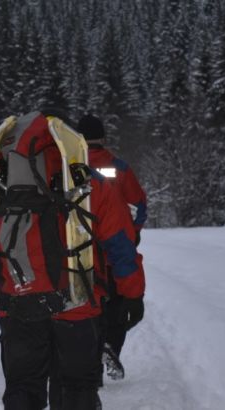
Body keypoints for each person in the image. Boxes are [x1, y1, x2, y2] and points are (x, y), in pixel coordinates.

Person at [0, 111, 145, 410]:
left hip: (17, 307)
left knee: (22, 389)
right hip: (78, 305)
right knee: (76, 389)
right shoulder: (89, 184)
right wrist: (132, 294)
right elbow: (120, 245)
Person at [76, 114, 148, 381]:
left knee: (87, 308)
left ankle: (91, 362)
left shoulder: (69, 167)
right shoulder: (118, 167)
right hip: (115, 248)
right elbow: (138, 204)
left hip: (80, 252)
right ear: (103, 138)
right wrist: (134, 231)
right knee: (118, 306)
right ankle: (110, 346)